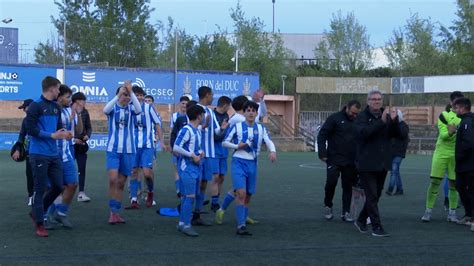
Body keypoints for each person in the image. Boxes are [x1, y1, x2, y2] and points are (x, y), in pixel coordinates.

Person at [26, 76, 72, 237]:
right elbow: (30, 129)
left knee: (59, 186)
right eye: (58, 88)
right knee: (39, 189)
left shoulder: (56, 107)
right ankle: (39, 223)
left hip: (53, 154)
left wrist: (65, 134)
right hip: (38, 154)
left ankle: (37, 212)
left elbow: (58, 129)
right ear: (52, 88)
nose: (59, 91)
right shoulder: (35, 106)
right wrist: (51, 135)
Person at [222, 100, 277, 236]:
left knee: (248, 195)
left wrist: (272, 151)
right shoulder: (237, 127)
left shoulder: (261, 128)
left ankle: (238, 217)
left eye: (253, 110)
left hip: (253, 164)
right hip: (238, 163)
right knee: (241, 193)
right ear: (244, 112)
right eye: (248, 110)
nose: (251, 113)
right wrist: (237, 146)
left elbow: (269, 141)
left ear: (256, 113)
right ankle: (241, 225)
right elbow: (224, 142)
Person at [353, 89, 401, 237]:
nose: (376, 101)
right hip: (366, 163)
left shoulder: (385, 116)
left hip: (382, 162)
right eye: (373, 99)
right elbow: (364, 134)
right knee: (372, 196)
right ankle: (376, 227)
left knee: (376, 195)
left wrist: (393, 122)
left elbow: (396, 135)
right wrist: (381, 122)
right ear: (368, 101)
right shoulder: (361, 117)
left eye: (379, 99)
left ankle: (361, 220)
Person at [421, 91, 464, 223]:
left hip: (456, 154)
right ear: (451, 103)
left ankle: (452, 214)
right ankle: (428, 211)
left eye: (460, 103)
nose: (458, 105)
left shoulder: (465, 118)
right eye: (456, 102)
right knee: (435, 182)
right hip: (441, 153)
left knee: (454, 184)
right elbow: (444, 135)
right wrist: (450, 133)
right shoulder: (444, 115)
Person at [103, 81, 141, 224]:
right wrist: (117, 96)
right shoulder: (113, 109)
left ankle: (115, 212)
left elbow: (139, 110)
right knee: (113, 179)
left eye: (127, 95)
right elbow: (105, 110)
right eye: (122, 94)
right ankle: (112, 211)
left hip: (129, 151)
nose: (125, 97)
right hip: (113, 150)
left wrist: (131, 92)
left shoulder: (131, 109)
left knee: (121, 183)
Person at [317, 100, 361, 222]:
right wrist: (322, 153)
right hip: (334, 158)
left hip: (350, 161)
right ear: (347, 108)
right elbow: (322, 135)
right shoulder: (334, 118)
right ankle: (328, 205)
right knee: (331, 183)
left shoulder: (358, 120)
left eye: (357, 113)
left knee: (347, 187)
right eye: (353, 113)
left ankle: (345, 212)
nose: (354, 115)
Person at [193, 86, 227, 226]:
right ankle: (189, 210)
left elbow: (216, 132)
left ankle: (198, 212)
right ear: (207, 95)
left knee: (204, 182)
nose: (213, 97)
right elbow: (191, 128)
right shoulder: (195, 109)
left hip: (210, 153)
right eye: (211, 94)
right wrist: (203, 126)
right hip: (197, 153)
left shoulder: (210, 112)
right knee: (195, 181)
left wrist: (222, 128)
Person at [127, 86, 164, 209]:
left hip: (148, 146)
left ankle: (150, 192)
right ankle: (133, 199)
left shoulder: (149, 108)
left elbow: (157, 124)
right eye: (136, 95)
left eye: (141, 95)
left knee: (147, 173)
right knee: (134, 172)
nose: (139, 97)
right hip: (133, 146)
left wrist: (162, 142)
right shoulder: (129, 108)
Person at [52, 84, 84, 228]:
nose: (70, 100)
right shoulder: (50, 110)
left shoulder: (68, 111)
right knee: (53, 187)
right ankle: (44, 215)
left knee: (73, 183)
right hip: (51, 155)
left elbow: (79, 130)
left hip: (66, 154)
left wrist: (77, 114)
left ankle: (61, 213)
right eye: (67, 97)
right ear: (59, 97)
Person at [173, 104, 206, 237]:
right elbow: (176, 147)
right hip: (187, 167)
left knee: (188, 196)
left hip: (196, 167)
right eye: (203, 115)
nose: (204, 117)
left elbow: (194, 148)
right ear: (199, 116)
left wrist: (200, 153)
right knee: (189, 197)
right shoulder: (186, 129)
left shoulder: (197, 130)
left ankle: (182, 223)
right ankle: (186, 224)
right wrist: (192, 155)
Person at [452, 97, 474, 231]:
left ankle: (472, 218)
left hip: (468, 165)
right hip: (463, 165)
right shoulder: (464, 121)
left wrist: (459, 156)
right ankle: (469, 215)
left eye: (456, 107)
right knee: (460, 187)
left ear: (462, 108)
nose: (454, 110)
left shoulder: (467, 122)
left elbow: (469, 143)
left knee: (471, 191)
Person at [210, 96, 232, 212]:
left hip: (223, 151)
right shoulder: (212, 115)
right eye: (229, 106)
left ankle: (216, 199)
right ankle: (214, 203)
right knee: (215, 176)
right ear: (224, 105)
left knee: (222, 177)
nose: (229, 108)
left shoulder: (226, 116)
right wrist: (222, 131)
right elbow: (214, 135)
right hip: (214, 150)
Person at [11, 99, 34, 206]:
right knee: (29, 175)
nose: (24, 110)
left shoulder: (41, 118)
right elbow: (21, 135)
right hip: (30, 152)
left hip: (43, 152)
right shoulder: (25, 120)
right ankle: (31, 196)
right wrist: (17, 149)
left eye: (25, 108)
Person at [72, 92, 92, 203]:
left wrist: (87, 136)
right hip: (70, 145)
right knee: (66, 169)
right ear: (76, 101)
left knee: (82, 169)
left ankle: (81, 193)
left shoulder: (85, 112)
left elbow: (89, 127)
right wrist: (73, 139)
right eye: (82, 100)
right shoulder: (67, 111)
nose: (84, 102)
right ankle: (62, 193)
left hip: (82, 146)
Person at [386, 109, 410, 196]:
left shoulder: (404, 126)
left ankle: (390, 188)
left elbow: (402, 135)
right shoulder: (392, 126)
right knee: (396, 171)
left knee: (394, 170)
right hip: (393, 152)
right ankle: (400, 189)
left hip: (399, 152)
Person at [170, 96, 190, 197]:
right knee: (177, 169)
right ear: (179, 104)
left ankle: (186, 190)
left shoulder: (191, 116)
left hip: (187, 148)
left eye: (186, 104)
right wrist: (172, 146)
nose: (184, 105)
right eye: (183, 103)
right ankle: (179, 190)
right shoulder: (174, 116)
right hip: (177, 147)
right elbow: (172, 132)